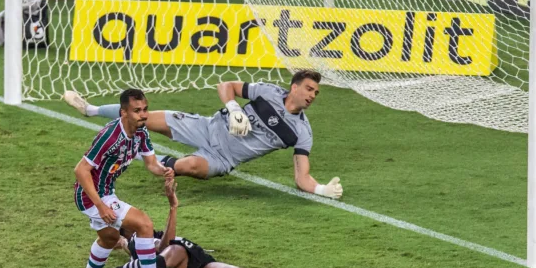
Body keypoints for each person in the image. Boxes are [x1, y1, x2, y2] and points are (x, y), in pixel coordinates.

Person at [63, 70, 343, 199]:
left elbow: (301, 177)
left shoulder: (302, 132)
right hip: (207, 126)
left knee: (187, 167)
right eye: (308, 88)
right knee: (147, 117)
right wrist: (233, 107)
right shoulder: (268, 91)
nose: (312, 95)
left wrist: (322, 189)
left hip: (221, 157)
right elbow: (226, 85)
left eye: (316, 92)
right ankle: (89, 109)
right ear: (294, 87)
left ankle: (138, 152)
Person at [68, 88, 178, 268]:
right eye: (137, 110)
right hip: (92, 196)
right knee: (144, 223)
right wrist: (101, 206)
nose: (143, 115)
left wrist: (164, 170)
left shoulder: (141, 132)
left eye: (145, 109)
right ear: (123, 113)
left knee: (109, 238)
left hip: (106, 192)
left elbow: (151, 164)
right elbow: (81, 170)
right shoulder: (110, 136)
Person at [100, 178, 277, 268]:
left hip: (199, 265)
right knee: (173, 249)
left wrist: (115, 242)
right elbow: (164, 247)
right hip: (179, 258)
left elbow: (120, 242)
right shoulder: (138, 240)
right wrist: (173, 207)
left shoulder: (131, 242)